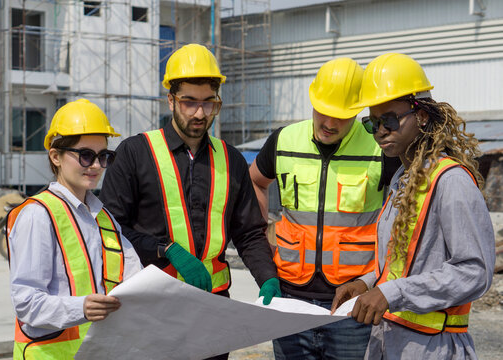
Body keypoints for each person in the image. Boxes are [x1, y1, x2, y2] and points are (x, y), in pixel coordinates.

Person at [99, 43, 280, 359]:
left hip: (212, 307)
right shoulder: (134, 154)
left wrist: (267, 277)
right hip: (153, 308)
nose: (200, 113)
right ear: (170, 100)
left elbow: (249, 233)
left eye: (209, 103)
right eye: (189, 102)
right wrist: (165, 249)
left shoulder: (231, 160)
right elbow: (110, 228)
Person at [331, 53, 496, 360]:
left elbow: (475, 272)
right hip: (388, 343)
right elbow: (401, 265)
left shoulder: (451, 181)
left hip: (434, 348)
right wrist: (366, 284)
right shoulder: (402, 179)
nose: (381, 130)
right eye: (373, 123)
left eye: (390, 120)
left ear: (421, 115)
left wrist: (391, 293)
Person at [250, 57, 400, 359]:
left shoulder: (380, 148)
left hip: (352, 305)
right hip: (290, 298)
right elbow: (255, 181)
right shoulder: (283, 140)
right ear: (313, 100)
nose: (330, 124)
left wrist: (380, 281)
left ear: (359, 110)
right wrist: (262, 241)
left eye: (342, 116)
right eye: (324, 112)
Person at [6, 99, 142, 359]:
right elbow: (26, 303)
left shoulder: (105, 219)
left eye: (103, 156)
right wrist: (81, 307)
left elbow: (135, 281)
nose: (95, 166)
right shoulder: (38, 215)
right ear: (55, 156)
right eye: (85, 155)